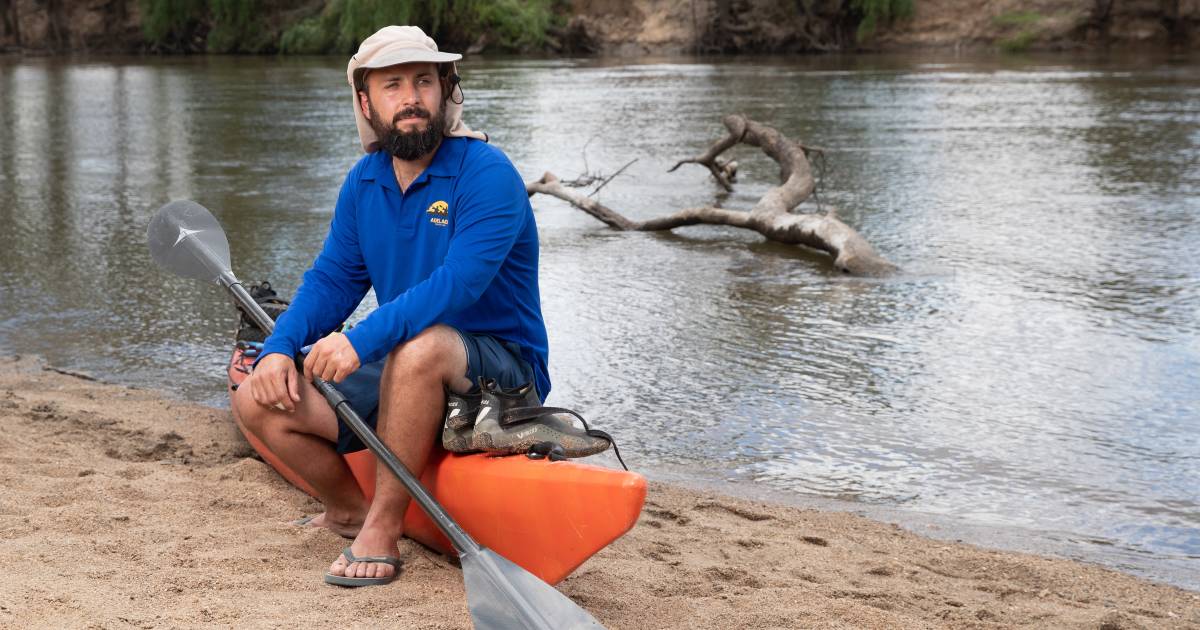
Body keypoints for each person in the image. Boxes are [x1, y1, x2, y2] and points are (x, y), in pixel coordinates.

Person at [231, 25, 606, 588]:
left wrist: (357, 342)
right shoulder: (364, 182)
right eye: (392, 85)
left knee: (421, 347)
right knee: (261, 402)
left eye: (423, 81)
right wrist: (281, 347)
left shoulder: (487, 174)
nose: (410, 98)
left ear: (445, 89)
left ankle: (383, 526)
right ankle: (349, 510)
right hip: (405, 356)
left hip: (502, 367)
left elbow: (456, 287)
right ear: (365, 100)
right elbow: (333, 280)